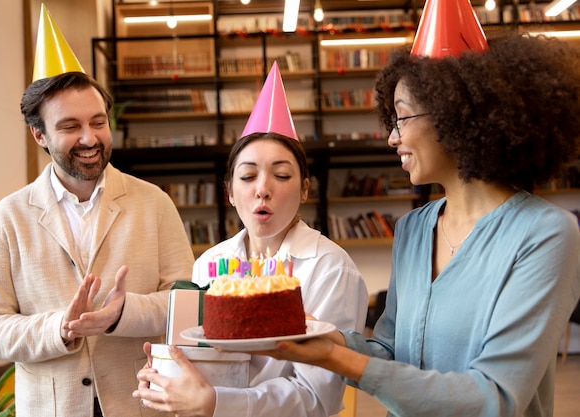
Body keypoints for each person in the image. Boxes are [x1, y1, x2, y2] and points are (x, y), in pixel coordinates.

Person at [244, 1, 580, 417]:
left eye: (400, 119)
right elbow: (391, 349)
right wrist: (322, 334)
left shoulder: (546, 233)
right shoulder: (413, 229)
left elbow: (495, 397)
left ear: (454, 116)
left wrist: (334, 359)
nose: (391, 139)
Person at [0, 6, 194, 417]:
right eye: (70, 126)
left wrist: (124, 313)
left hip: (143, 404)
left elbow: (188, 304)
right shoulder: (7, 219)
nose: (90, 138)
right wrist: (58, 328)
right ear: (40, 134)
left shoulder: (154, 203)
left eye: (98, 122)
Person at [132, 63, 369, 417]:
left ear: (304, 188)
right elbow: (200, 359)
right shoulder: (210, 263)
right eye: (247, 176)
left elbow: (320, 398)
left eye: (282, 174)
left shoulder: (331, 268)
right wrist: (167, 373)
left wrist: (218, 403)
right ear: (229, 192)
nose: (262, 190)